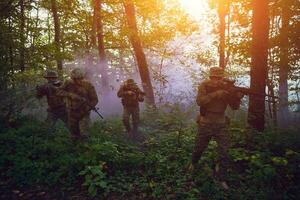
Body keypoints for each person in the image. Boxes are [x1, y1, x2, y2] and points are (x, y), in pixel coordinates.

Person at [190, 67, 244, 190]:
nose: (216, 80)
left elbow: (234, 107)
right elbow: (200, 101)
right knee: (199, 148)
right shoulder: (204, 86)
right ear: (210, 77)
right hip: (206, 122)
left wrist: (237, 97)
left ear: (222, 78)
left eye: (218, 78)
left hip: (221, 123)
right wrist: (216, 94)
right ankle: (193, 163)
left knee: (224, 152)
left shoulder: (227, 89)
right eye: (213, 78)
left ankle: (222, 178)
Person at [57, 68, 98, 140]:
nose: (78, 81)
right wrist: (70, 95)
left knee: (84, 133)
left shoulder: (88, 85)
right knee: (73, 134)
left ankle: (86, 149)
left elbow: (95, 100)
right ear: (73, 78)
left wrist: (87, 108)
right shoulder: (68, 82)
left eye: (80, 78)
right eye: (75, 79)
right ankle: (75, 148)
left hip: (84, 112)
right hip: (72, 111)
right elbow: (59, 92)